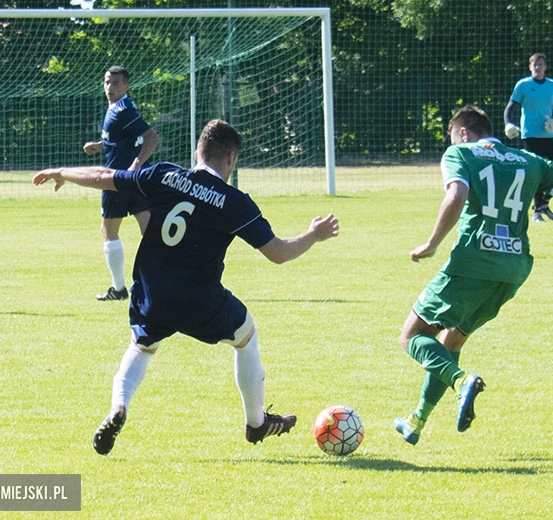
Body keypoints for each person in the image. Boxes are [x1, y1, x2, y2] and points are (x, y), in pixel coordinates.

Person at [34, 119, 339, 455]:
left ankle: (119, 407)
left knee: (141, 348)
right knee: (246, 338)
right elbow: (278, 252)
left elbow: (103, 176)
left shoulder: (163, 174)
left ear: (197, 153)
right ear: (231, 159)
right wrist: (314, 234)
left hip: (153, 293)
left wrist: (62, 172)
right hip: (200, 300)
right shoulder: (234, 201)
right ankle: (256, 423)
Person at [393, 105, 553, 445]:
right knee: (452, 340)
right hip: (513, 270)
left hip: (473, 262)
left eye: (453, 138)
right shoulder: (530, 160)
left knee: (412, 336)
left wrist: (432, 243)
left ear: (463, 132)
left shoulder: (460, 153)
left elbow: (457, 193)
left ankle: (461, 382)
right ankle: (416, 421)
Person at [83, 65, 159, 301]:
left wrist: (135, 164)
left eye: (116, 83)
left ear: (126, 86)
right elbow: (126, 138)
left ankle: (118, 289)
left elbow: (151, 137)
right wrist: (101, 145)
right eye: (107, 82)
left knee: (109, 230)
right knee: (150, 232)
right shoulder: (122, 106)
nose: (110, 87)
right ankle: (169, 279)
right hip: (135, 180)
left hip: (116, 179)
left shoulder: (122, 110)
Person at [504, 52, 553, 223]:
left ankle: (544, 203)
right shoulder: (523, 85)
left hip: (549, 135)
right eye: (535, 64)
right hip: (530, 135)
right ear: (530, 66)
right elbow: (510, 108)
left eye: (541, 64)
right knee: (535, 172)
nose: (538, 67)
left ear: (545, 67)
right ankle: (537, 211)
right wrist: (508, 124)